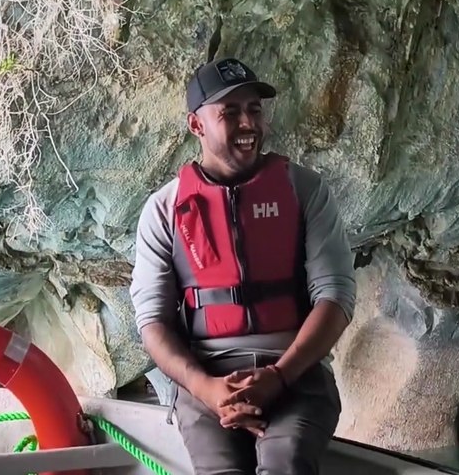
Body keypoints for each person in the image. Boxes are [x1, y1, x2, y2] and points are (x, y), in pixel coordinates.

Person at [129, 57, 357, 475]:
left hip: (296, 372)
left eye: (254, 109)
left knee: (283, 463)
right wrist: (206, 389)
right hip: (206, 381)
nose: (248, 123)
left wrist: (279, 376)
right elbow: (152, 323)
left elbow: (336, 296)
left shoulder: (305, 190)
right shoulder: (164, 210)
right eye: (229, 113)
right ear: (196, 126)